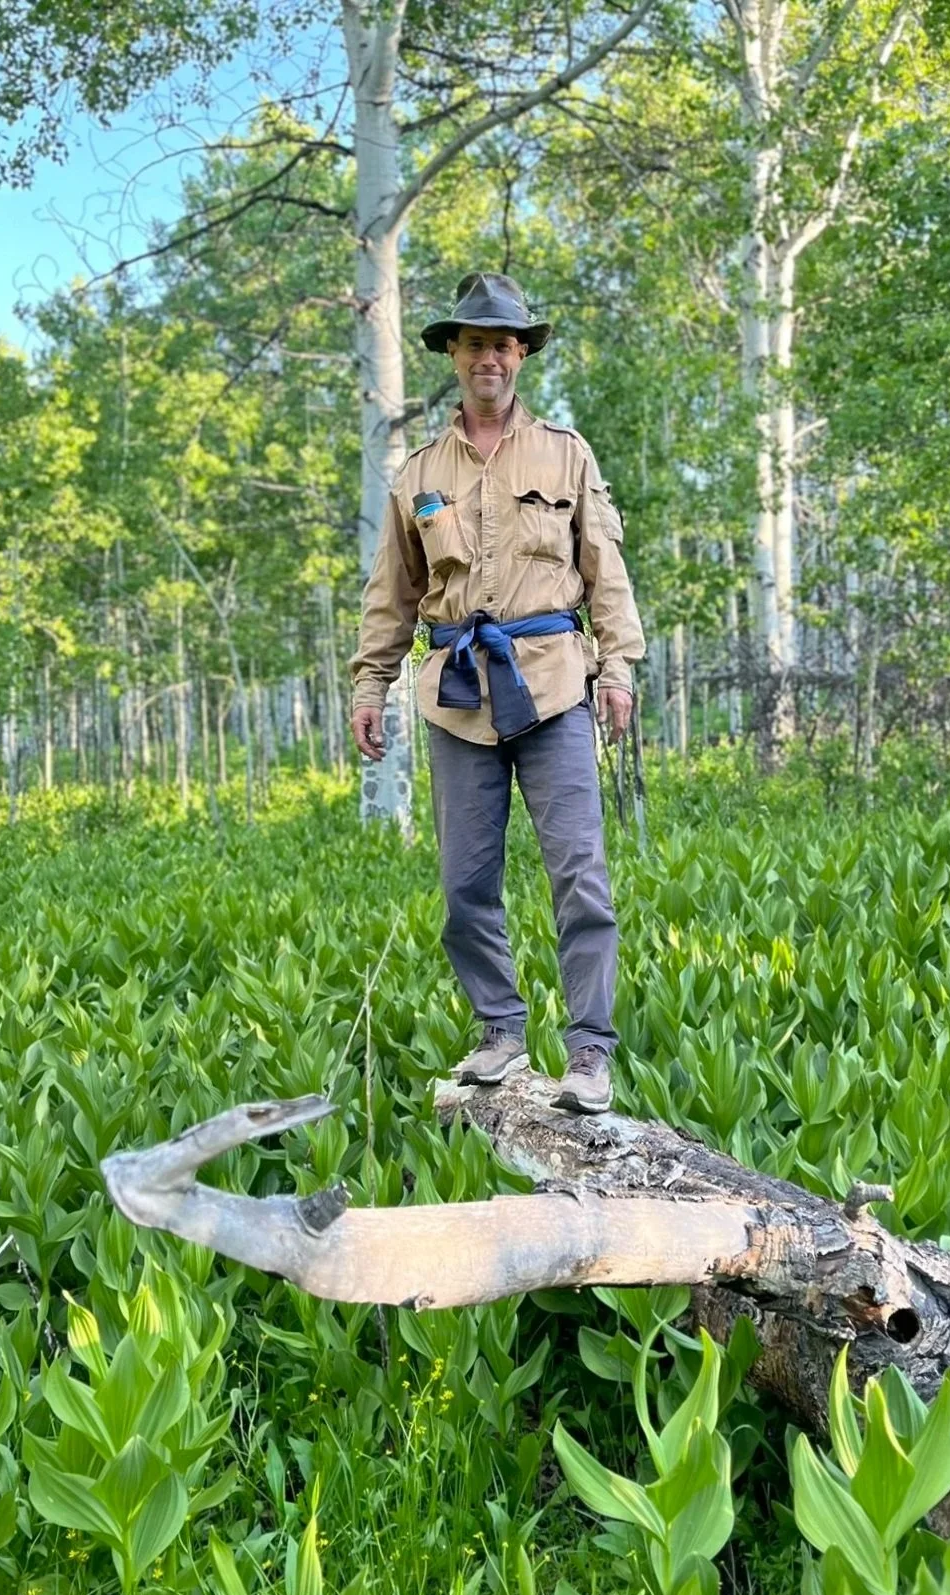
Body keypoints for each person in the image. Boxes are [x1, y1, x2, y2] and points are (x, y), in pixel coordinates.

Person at [350, 272, 645, 1113]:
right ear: (453, 354)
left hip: (553, 686)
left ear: (522, 355)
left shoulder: (566, 453)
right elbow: (392, 593)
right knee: (464, 885)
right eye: (473, 342)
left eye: (503, 343)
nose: (489, 357)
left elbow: (606, 572)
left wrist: (617, 667)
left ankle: (589, 1052)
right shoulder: (418, 474)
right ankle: (501, 1033)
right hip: (457, 693)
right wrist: (370, 684)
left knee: (580, 874)